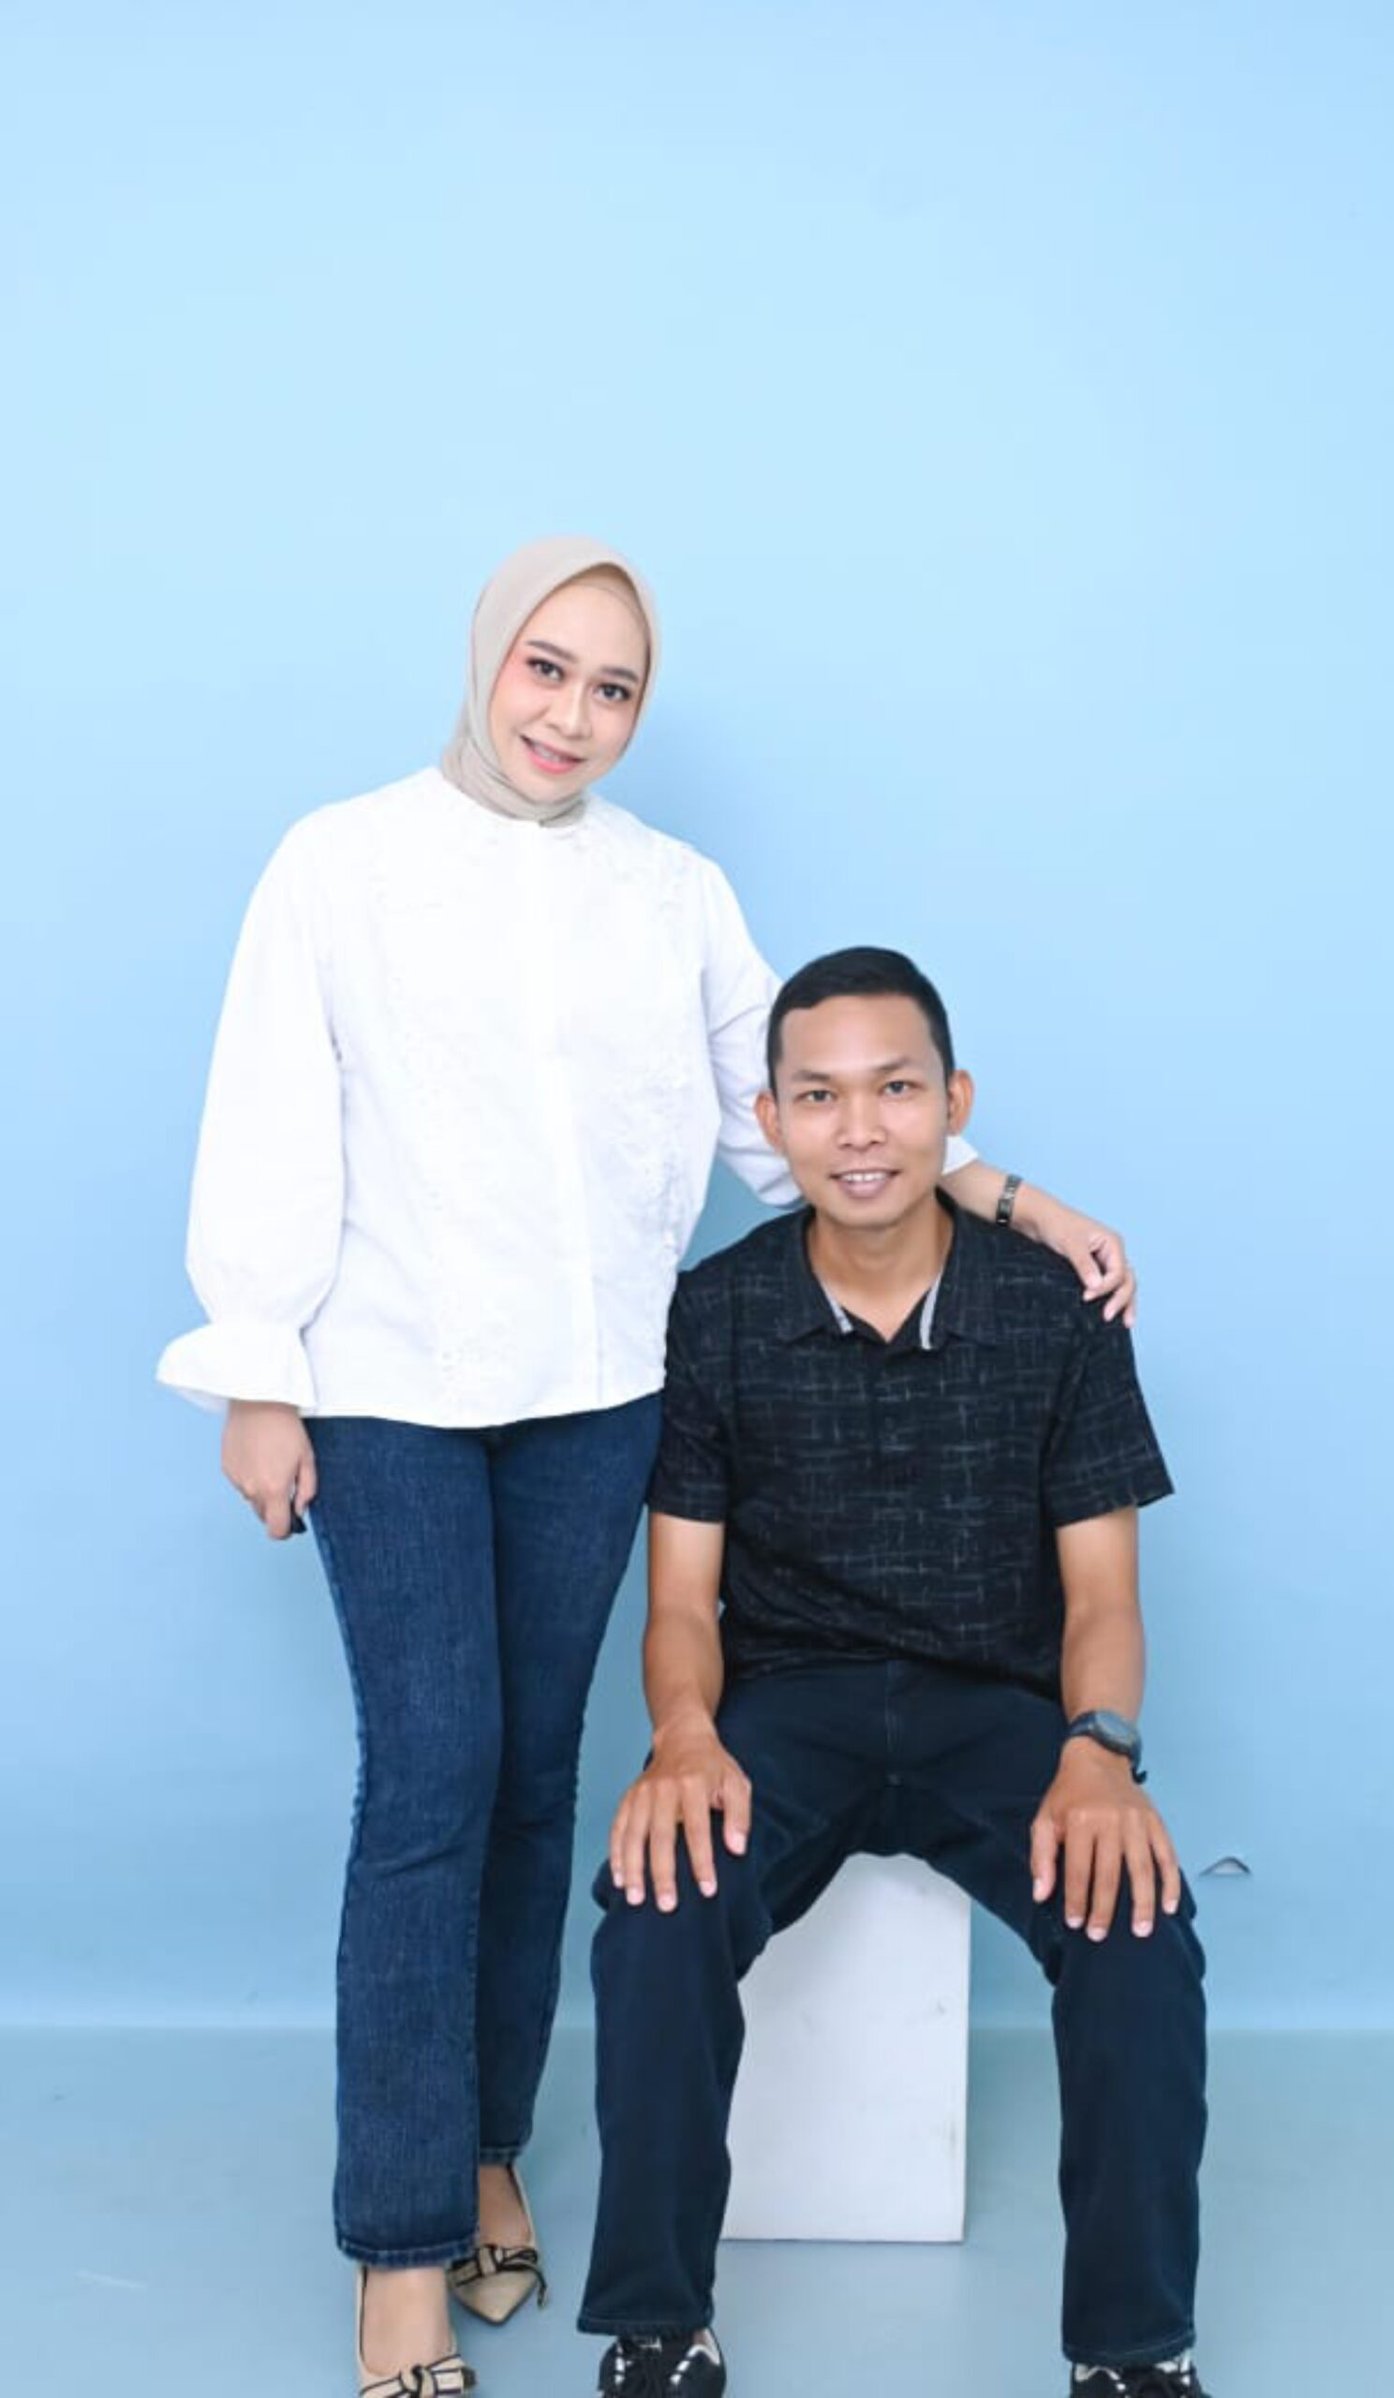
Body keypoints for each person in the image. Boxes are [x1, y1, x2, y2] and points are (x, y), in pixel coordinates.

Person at [156, 543, 1140, 2398]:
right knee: (431, 1775)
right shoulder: (338, 862)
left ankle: (488, 2144)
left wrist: (1012, 1195)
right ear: (485, 658)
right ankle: (399, 2243)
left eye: (613, 688)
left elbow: (807, 1117)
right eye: (547, 667)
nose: (572, 714)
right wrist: (255, 1369)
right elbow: (271, 1110)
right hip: (382, 1385)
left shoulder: (671, 892)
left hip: (599, 1387)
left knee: (539, 1778)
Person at [582, 946, 1208, 2398]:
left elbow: (1104, 1595)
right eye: (819, 1097)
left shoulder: (1052, 1309)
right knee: (654, 1902)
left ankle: (1133, 2350)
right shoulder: (715, 1312)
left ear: (954, 1103)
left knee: (1141, 1927)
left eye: (895, 1090)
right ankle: (658, 2324)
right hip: (787, 1711)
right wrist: (684, 1734)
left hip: (999, 1712)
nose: (859, 1129)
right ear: (771, 1120)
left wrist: (1100, 1746)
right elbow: (679, 1600)